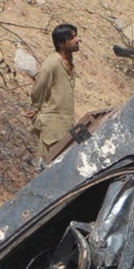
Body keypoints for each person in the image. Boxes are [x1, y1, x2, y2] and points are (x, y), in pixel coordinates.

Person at [29, 23, 80, 165]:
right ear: (60, 43)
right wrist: (35, 108)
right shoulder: (51, 64)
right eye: (71, 38)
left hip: (65, 126)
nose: (77, 40)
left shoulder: (69, 62)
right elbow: (39, 88)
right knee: (44, 168)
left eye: (76, 36)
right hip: (51, 126)